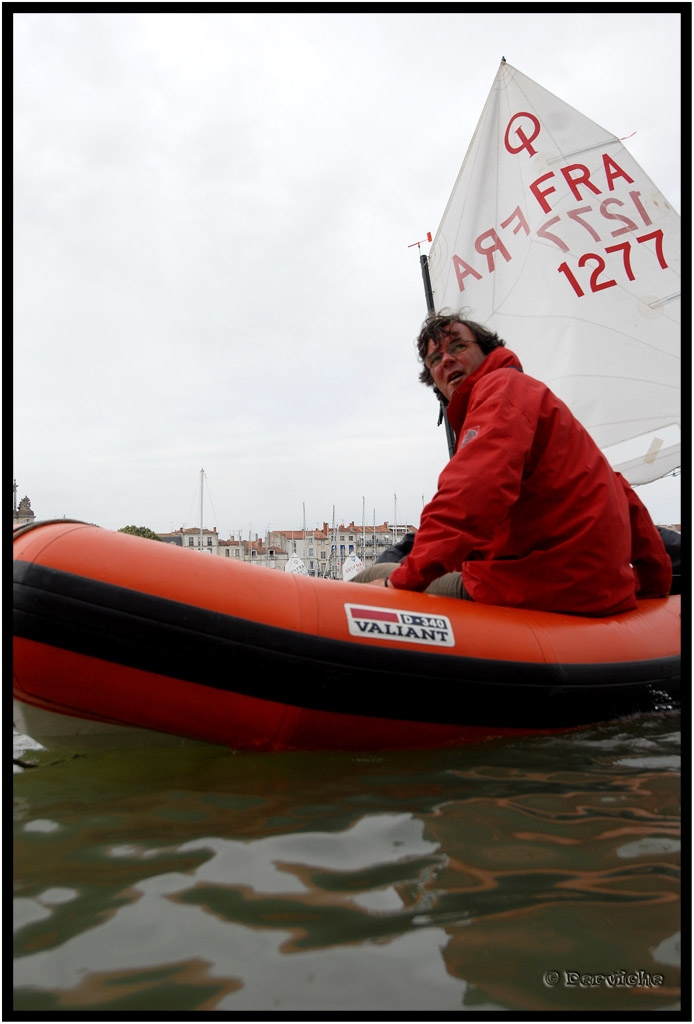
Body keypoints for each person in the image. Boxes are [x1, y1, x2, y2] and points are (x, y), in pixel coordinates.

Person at [352, 312, 671, 615]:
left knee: (375, 576)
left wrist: (400, 582)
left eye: (458, 346)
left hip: (536, 590)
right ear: (434, 379)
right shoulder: (545, 406)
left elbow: (470, 493)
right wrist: (653, 590)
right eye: (435, 359)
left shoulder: (500, 391)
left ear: (488, 351)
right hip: (600, 593)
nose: (446, 359)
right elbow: (625, 498)